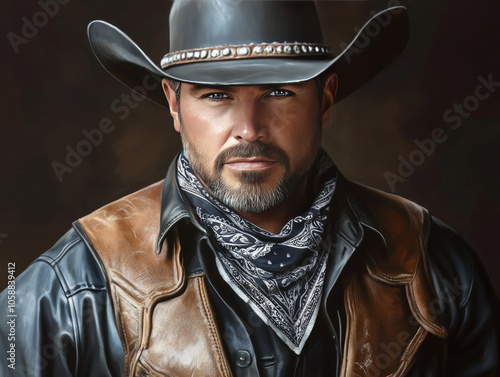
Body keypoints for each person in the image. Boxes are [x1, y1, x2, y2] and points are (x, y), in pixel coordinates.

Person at [1, 0, 499, 376]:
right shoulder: (65, 291)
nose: (249, 128)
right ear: (173, 105)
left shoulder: (435, 267)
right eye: (216, 95)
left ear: (325, 99)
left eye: (278, 92)